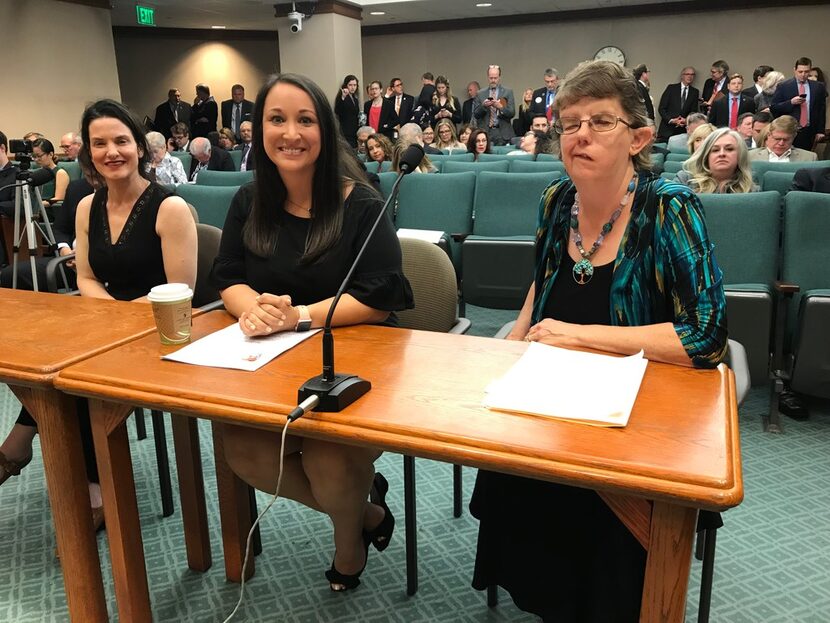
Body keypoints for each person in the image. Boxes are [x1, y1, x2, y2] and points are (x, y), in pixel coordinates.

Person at [470, 60, 727, 622]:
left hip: (641, 416)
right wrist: (515, 343)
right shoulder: (555, 201)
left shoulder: (670, 209)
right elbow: (543, 282)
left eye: (599, 122)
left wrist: (581, 336)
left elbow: (705, 336)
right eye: (569, 124)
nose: (579, 134)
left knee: (605, 544)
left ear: (638, 138)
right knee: (512, 472)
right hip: (553, 394)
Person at [209, 73, 413, 592]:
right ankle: (367, 514)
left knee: (326, 454)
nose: (290, 133)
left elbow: (378, 294)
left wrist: (296, 315)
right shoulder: (248, 200)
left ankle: (349, 548)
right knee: (244, 450)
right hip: (268, 363)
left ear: (325, 129)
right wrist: (252, 309)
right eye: (277, 119)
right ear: (260, 128)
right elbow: (227, 276)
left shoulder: (361, 204)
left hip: (355, 363)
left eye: (305, 120)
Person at [0, 99, 197, 530]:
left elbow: (182, 292)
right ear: (88, 153)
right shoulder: (89, 206)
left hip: (160, 329)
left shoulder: (170, 208)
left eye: (121, 141)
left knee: (74, 377)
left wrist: (121, 322)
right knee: (41, 360)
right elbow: (86, 277)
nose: (112, 151)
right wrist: (110, 318)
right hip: (104, 322)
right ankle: (58, 463)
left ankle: (63, 470)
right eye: (99, 143)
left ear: (139, 148)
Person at [675, 127, 757, 193]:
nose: (721, 154)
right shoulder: (685, 180)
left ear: (740, 155)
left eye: (729, 149)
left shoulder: (751, 189)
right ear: (706, 156)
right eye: (715, 150)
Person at [771, 57, 828, 150]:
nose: (803, 74)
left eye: (806, 72)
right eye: (800, 72)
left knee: (807, 159)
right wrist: (791, 102)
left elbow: (821, 110)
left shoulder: (818, 87)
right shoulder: (784, 86)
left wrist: (820, 131)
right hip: (789, 130)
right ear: (795, 70)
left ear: (810, 71)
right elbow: (774, 107)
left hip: (810, 130)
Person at [474, 64, 516, 145]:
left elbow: (512, 113)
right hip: (486, 132)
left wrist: (501, 107)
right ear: (488, 77)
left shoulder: (507, 92)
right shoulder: (480, 93)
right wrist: (484, 106)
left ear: (499, 77)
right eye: (491, 78)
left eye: (495, 78)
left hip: (503, 133)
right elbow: (476, 114)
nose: (493, 80)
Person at [749, 115, 818, 162]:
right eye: (777, 139)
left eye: (786, 140)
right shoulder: (750, 157)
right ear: (768, 135)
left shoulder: (809, 158)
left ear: (794, 137)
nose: (781, 143)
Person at [657, 66, 700, 141]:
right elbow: (662, 108)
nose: (690, 76)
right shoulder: (671, 88)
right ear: (682, 75)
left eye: (692, 74)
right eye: (687, 74)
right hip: (667, 130)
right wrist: (672, 120)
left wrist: (686, 120)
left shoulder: (694, 92)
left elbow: (694, 111)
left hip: (683, 132)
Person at [31, 138, 70, 207]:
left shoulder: (60, 173)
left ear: (51, 154)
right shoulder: (37, 173)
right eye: (34, 156)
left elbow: (59, 199)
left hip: (50, 212)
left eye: (39, 156)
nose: (36, 159)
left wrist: (37, 205)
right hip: (35, 211)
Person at [334, 75, 361, 148]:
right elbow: (337, 111)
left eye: (355, 85)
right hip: (346, 131)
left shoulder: (355, 99)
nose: (353, 87)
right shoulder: (342, 97)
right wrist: (343, 97)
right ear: (346, 85)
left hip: (355, 131)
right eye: (350, 85)